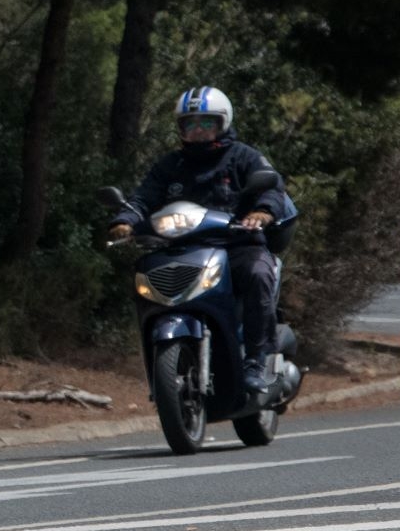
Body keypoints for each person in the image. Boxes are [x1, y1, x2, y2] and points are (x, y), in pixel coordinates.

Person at [108, 86, 285, 395]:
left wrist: (262, 211)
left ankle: (257, 359)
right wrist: (125, 220)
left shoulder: (244, 156)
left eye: (207, 123)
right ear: (181, 129)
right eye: (191, 124)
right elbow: (143, 197)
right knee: (147, 272)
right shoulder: (170, 165)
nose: (199, 130)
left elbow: (271, 186)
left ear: (223, 122)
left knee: (258, 274)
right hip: (184, 249)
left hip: (237, 246)